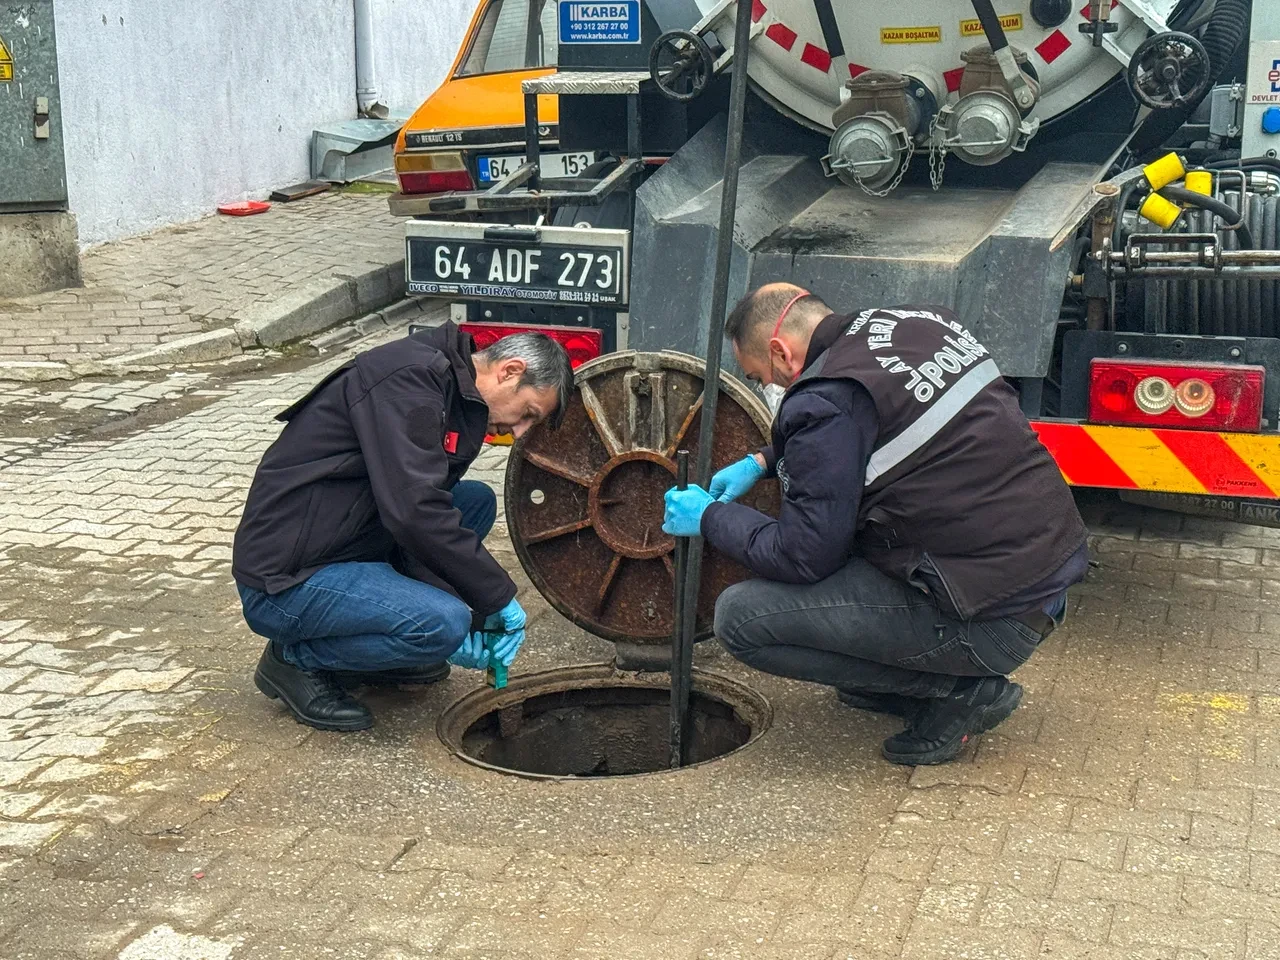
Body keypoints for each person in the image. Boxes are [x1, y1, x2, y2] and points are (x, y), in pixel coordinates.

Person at [663, 284, 1088, 765]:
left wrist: (712, 517)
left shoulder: (824, 398)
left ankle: (960, 690)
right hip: (1042, 580)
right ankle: (911, 677)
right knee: (848, 540)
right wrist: (763, 459)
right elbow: (880, 422)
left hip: (994, 622)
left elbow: (802, 556)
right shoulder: (921, 324)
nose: (772, 389)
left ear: (781, 353)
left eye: (763, 378)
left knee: (741, 618)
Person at [233, 323, 573, 731]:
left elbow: (422, 509)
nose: (519, 432)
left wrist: (472, 612)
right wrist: (495, 598)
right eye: (528, 414)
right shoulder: (407, 380)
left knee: (474, 501)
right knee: (440, 623)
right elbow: (413, 510)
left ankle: (397, 644)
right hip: (287, 576)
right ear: (510, 371)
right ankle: (292, 660)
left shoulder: (454, 391)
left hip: (347, 538)